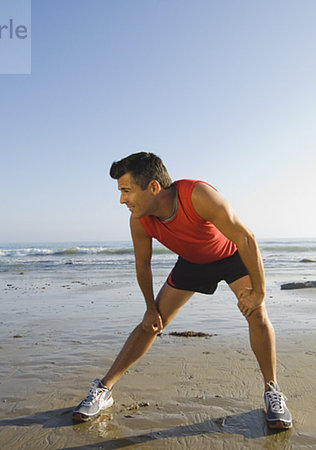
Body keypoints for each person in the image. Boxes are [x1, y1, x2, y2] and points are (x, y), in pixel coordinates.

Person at [72, 152, 292, 429]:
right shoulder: (140, 219)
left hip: (230, 255)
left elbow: (245, 237)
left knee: (257, 314)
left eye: (126, 190)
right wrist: (150, 308)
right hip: (192, 262)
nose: (122, 200)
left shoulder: (197, 195)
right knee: (150, 324)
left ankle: (272, 392)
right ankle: (103, 390)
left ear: (153, 187)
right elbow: (143, 266)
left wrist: (259, 291)